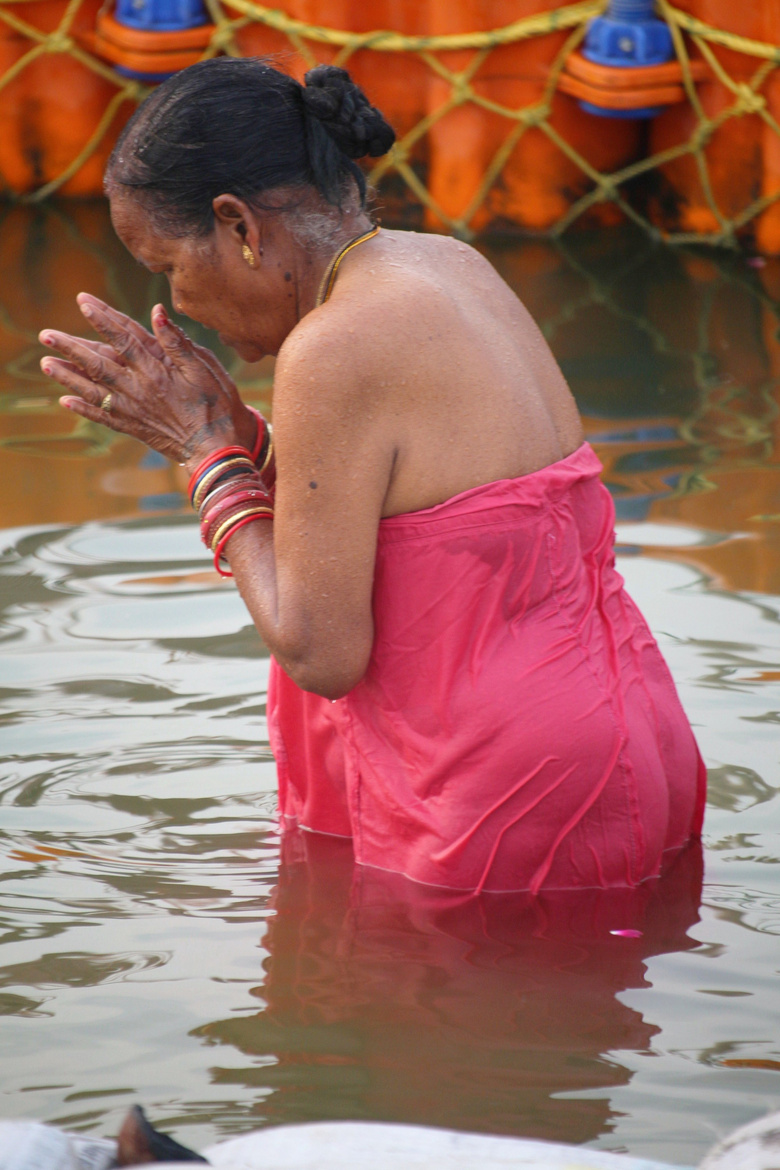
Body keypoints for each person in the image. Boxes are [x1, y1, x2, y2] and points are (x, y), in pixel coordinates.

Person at [39, 57, 706, 895]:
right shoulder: (450, 264)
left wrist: (206, 457)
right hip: (621, 732)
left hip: (499, 787)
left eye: (169, 265)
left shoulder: (332, 346)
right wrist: (242, 436)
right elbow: (419, 502)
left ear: (237, 225)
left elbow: (322, 650)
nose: (178, 299)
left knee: (421, 1012)